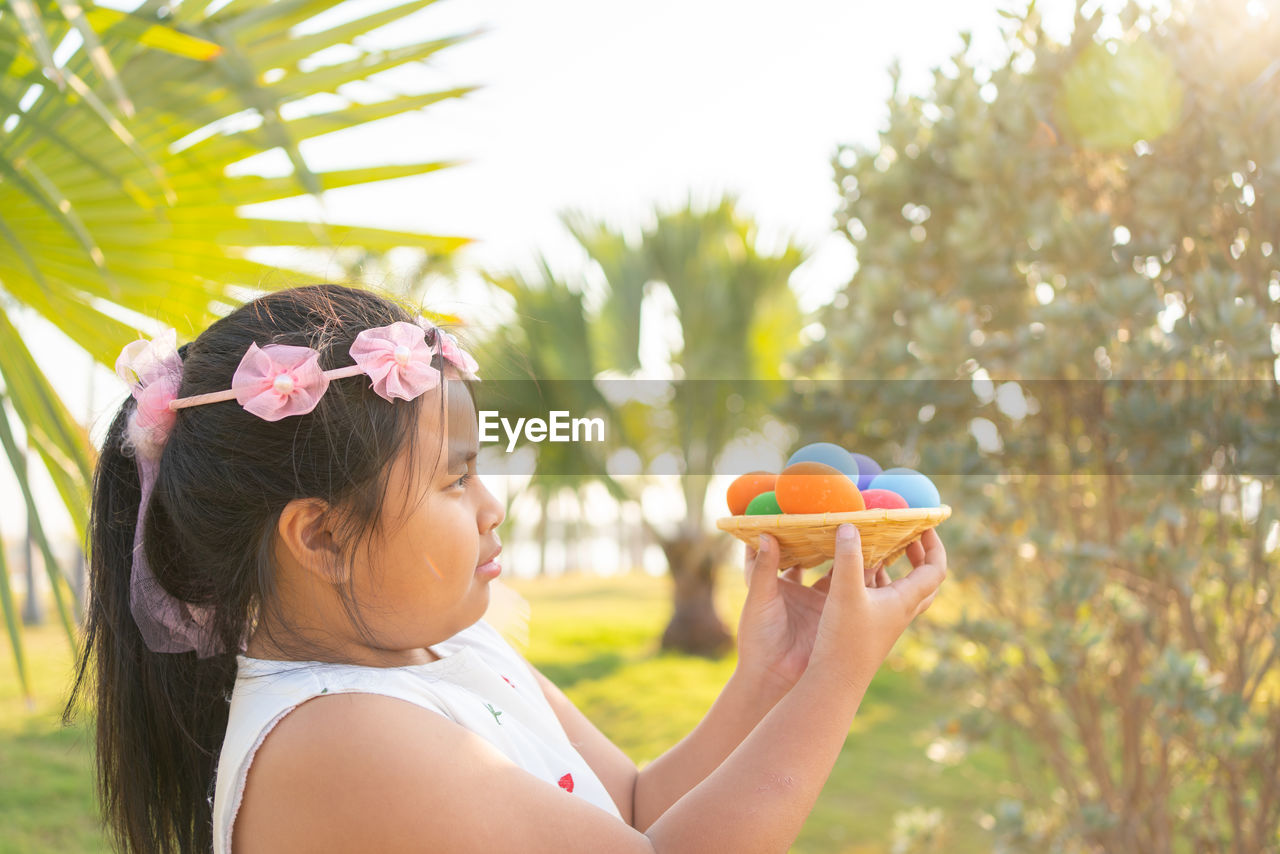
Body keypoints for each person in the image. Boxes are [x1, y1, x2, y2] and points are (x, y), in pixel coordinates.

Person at [63, 283, 948, 854]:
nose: (492, 505)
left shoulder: (447, 651)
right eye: (453, 478)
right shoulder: (332, 739)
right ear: (322, 539)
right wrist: (838, 682)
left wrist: (776, 674)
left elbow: (636, 808)